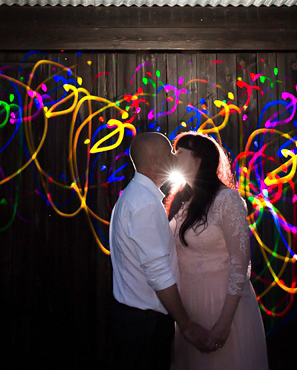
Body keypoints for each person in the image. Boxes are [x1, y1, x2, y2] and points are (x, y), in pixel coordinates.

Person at [109, 132, 212, 369]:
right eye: (170, 154)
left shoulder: (134, 196)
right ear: (154, 160)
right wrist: (186, 324)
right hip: (145, 324)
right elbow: (157, 272)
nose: (175, 159)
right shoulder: (144, 203)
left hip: (133, 319)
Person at [167, 132, 269, 370]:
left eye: (179, 153)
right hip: (189, 305)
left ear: (198, 160)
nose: (173, 157)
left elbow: (239, 263)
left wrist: (224, 324)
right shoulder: (180, 200)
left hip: (222, 304)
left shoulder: (227, 200)